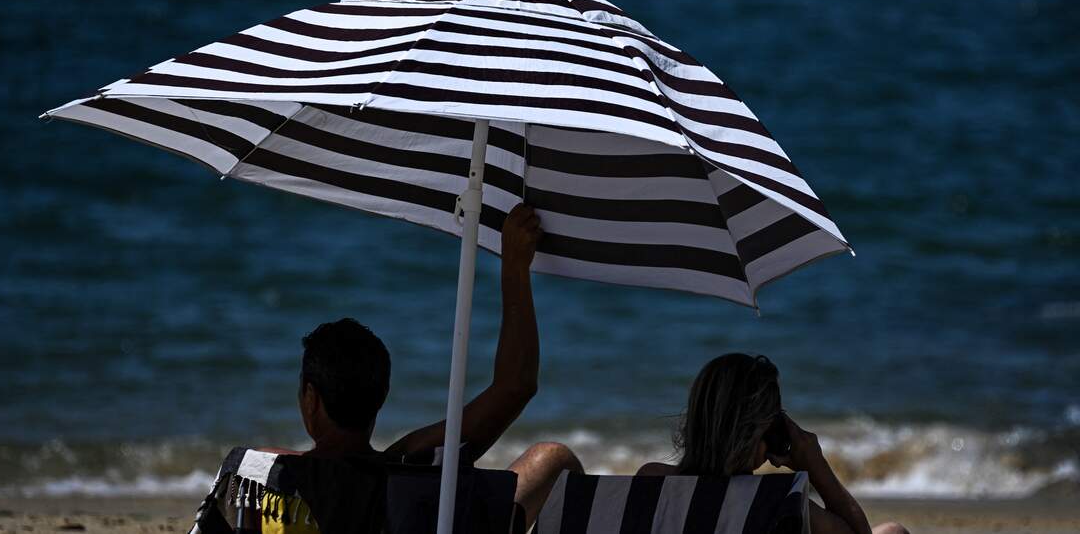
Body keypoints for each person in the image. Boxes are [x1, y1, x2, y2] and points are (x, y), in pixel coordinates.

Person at [262, 204, 582, 530]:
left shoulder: (266, 474)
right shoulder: (408, 464)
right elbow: (516, 386)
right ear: (382, 394)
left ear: (311, 399)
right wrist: (515, 266)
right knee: (555, 459)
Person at [637, 354, 907, 534]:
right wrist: (817, 467)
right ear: (758, 431)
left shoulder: (653, 480)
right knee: (893, 531)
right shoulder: (776, 499)